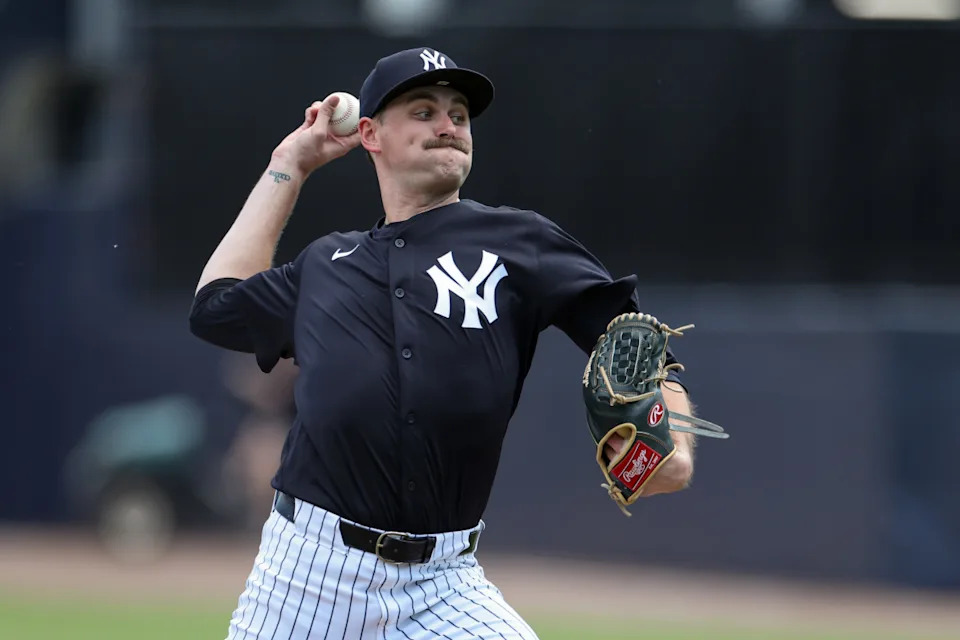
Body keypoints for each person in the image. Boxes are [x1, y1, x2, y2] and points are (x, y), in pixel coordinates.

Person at [189, 46, 697, 640]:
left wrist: (674, 443)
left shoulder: (519, 241)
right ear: (370, 133)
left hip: (442, 586)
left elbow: (636, 345)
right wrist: (289, 165)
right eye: (425, 110)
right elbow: (216, 307)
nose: (449, 125)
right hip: (305, 578)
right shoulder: (328, 263)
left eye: (459, 114)